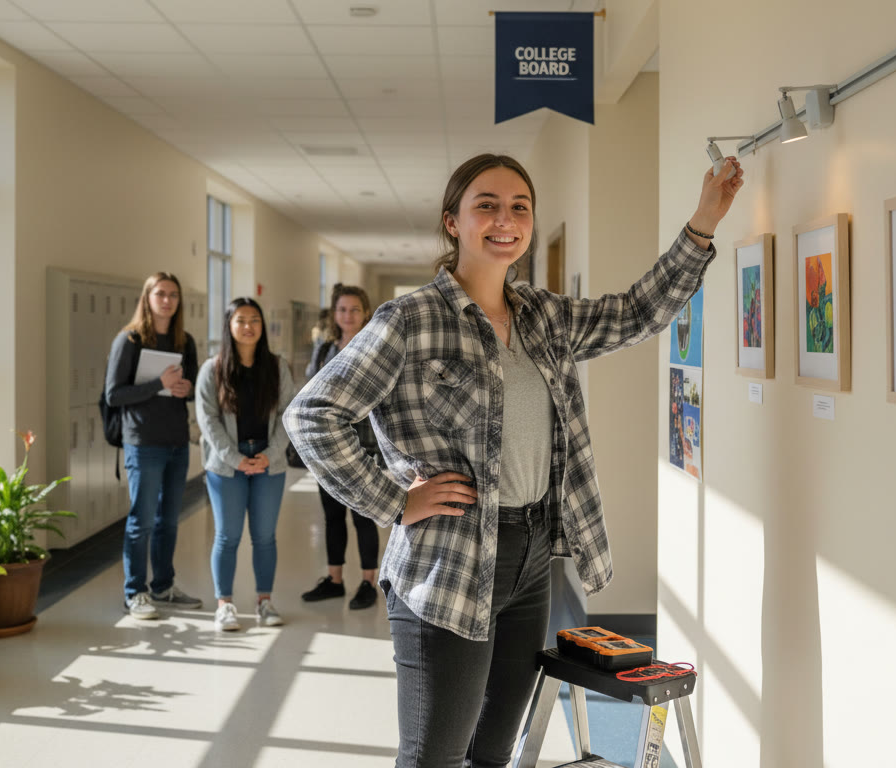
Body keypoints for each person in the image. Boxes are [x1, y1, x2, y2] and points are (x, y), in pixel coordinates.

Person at [284, 152, 744, 767]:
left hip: (530, 559)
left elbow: (637, 314)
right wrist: (395, 501)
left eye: (519, 207)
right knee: (434, 757)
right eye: (487, 206)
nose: (506, 220)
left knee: (494, 752)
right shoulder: (410, 320)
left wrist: (703, 222)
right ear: (453, 222)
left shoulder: (545, 318)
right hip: (446, 560)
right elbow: (312, 414)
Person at [195, 298, 298, 631]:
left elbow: (288, 414)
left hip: (269, 461)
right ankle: (224, 604)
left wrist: (271, 453)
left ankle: (264, 602)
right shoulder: (212, 369)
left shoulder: (276, 366)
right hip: (226, 465)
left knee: (265, 537)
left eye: (255, 319)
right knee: (227, 536)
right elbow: (207, 420)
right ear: (229, 325)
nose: (249, 326)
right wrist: (237, 459)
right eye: (241, 320)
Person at [105, 271, 202, 620]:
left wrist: (183, 388)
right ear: (147, 298)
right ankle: (135, 592)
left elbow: (191, 383)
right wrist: (157, 383)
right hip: (143, 442)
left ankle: (163, 585)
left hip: (176, 440)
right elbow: (114, 395)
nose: (167, 300)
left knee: (169, 521)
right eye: (160, 294)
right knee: (141, 520)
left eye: (173, 295)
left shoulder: (184, 341)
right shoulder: (129, 341)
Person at [299, 284, 383, 610]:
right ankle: (334, 580)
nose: (348, 316)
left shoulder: (375, 347)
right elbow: (310, 392)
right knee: (332, 516)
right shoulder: (323, 350)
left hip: (364, 446)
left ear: (365, 313)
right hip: (327, 446)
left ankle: (367, 583)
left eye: (354, 310)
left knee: (364, 516)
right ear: (335, 314)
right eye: (342, 310)